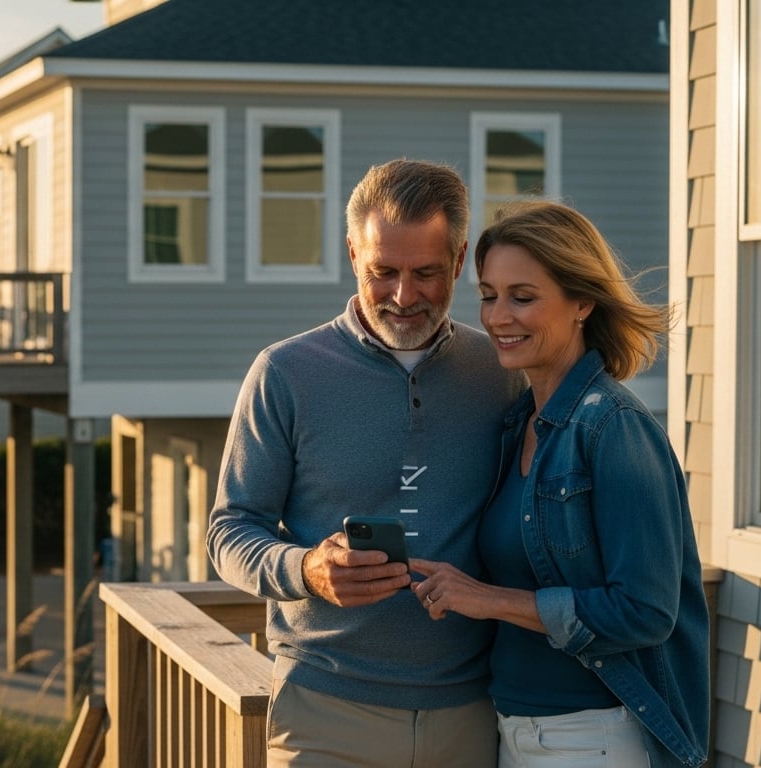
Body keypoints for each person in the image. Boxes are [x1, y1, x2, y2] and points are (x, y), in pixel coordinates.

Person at [207, 158, 526, 767]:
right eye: (384, 272)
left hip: (473, 711)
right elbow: (228, 531)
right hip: (324, 708)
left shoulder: (502, 374)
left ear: (460, 263)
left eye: (427, 273)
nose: (404, 297)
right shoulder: (285, 373)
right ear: (353, 254)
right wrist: (305, 568)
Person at [409, 200, 710, 768]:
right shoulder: (516, 424)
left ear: (582, 302)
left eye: (523, 297)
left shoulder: (613, 428)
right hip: (514, 730)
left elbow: (646, 610)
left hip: (595, 737)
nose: (498, 317)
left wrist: (489, 600)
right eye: (489, 295)